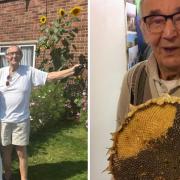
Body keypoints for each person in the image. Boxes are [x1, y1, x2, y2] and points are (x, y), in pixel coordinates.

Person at [0, 45, 82, 180]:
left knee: (21, 152)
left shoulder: (28, 71)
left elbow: (49, 76)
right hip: (3, 120)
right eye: (11, 54)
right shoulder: (1, 73)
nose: (14, 56)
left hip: (21, 120)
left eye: (17, 53)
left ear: (21, 56)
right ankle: (7, 175)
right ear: (6, 57)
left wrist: (71, 71)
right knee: (6, 150)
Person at [117, 0, 180, 128]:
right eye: (157, 21)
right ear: (144, 30)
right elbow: (121, 143)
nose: (169, 33)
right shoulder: (134, 79)